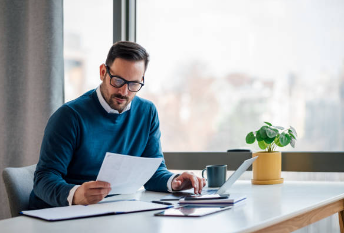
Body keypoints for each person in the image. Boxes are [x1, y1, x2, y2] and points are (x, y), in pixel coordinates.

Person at [29, 41, 205, 209]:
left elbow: (153, 172)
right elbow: (44, 179)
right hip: (59, 214)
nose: (124, 91)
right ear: (103, 72)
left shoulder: (147, 112)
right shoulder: (69, 117)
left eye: (134, 84)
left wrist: (176, 181)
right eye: (118, 81)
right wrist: (76, 194)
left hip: (111, 211)